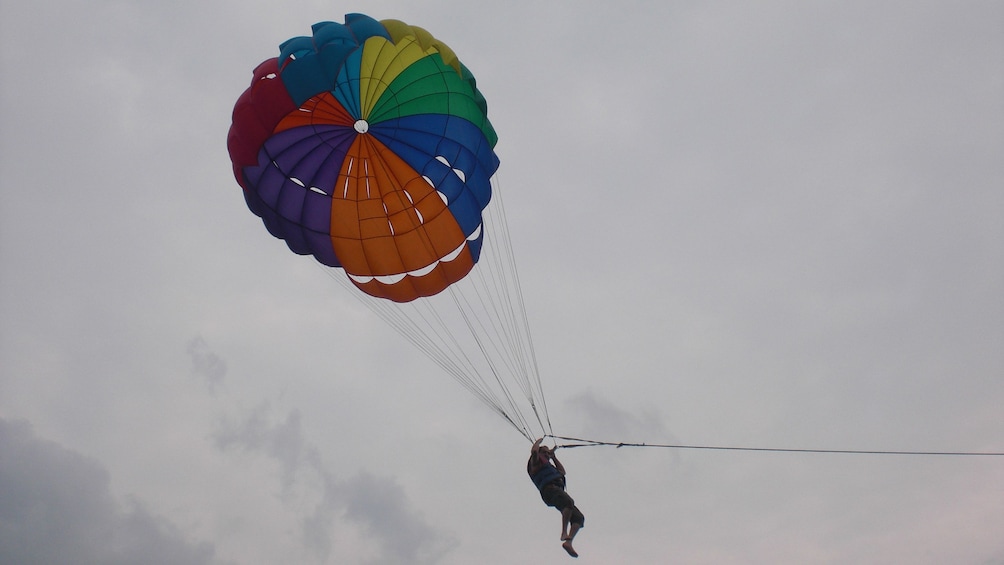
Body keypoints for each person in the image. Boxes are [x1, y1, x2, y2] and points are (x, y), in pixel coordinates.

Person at [528, 438, 585, 557]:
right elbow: (534, 452)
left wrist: (553, 457)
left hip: (556, 491)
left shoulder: (549, 465)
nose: (546, 455)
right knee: (569, 502)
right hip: (549, 490)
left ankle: (568, 543)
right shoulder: (536, 462)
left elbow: (562, 472)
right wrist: (538, 443)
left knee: (579, 518)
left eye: (548, 453)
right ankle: (564, 532)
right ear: (539, 452)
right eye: (545, 453)